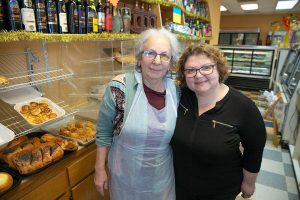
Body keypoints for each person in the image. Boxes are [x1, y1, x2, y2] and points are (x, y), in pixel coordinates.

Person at [171, 43, 266, 200]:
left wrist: (249, 183)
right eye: (191, 70)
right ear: (183, 74)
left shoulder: (243, 107)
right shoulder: (180, 97)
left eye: (206, 67)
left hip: (220, 191)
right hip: (178, 186)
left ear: (218, 68)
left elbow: (254, 149)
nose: (199, 75)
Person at [94, 28, 180, 200]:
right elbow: (104, 131)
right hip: (125, 175)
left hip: (161, 177)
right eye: (150, 53)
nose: (157, 61)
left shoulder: (176, 91)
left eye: (164, 55)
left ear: (171, 62)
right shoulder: (120, 87)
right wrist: (99, 169)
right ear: (140, 57)